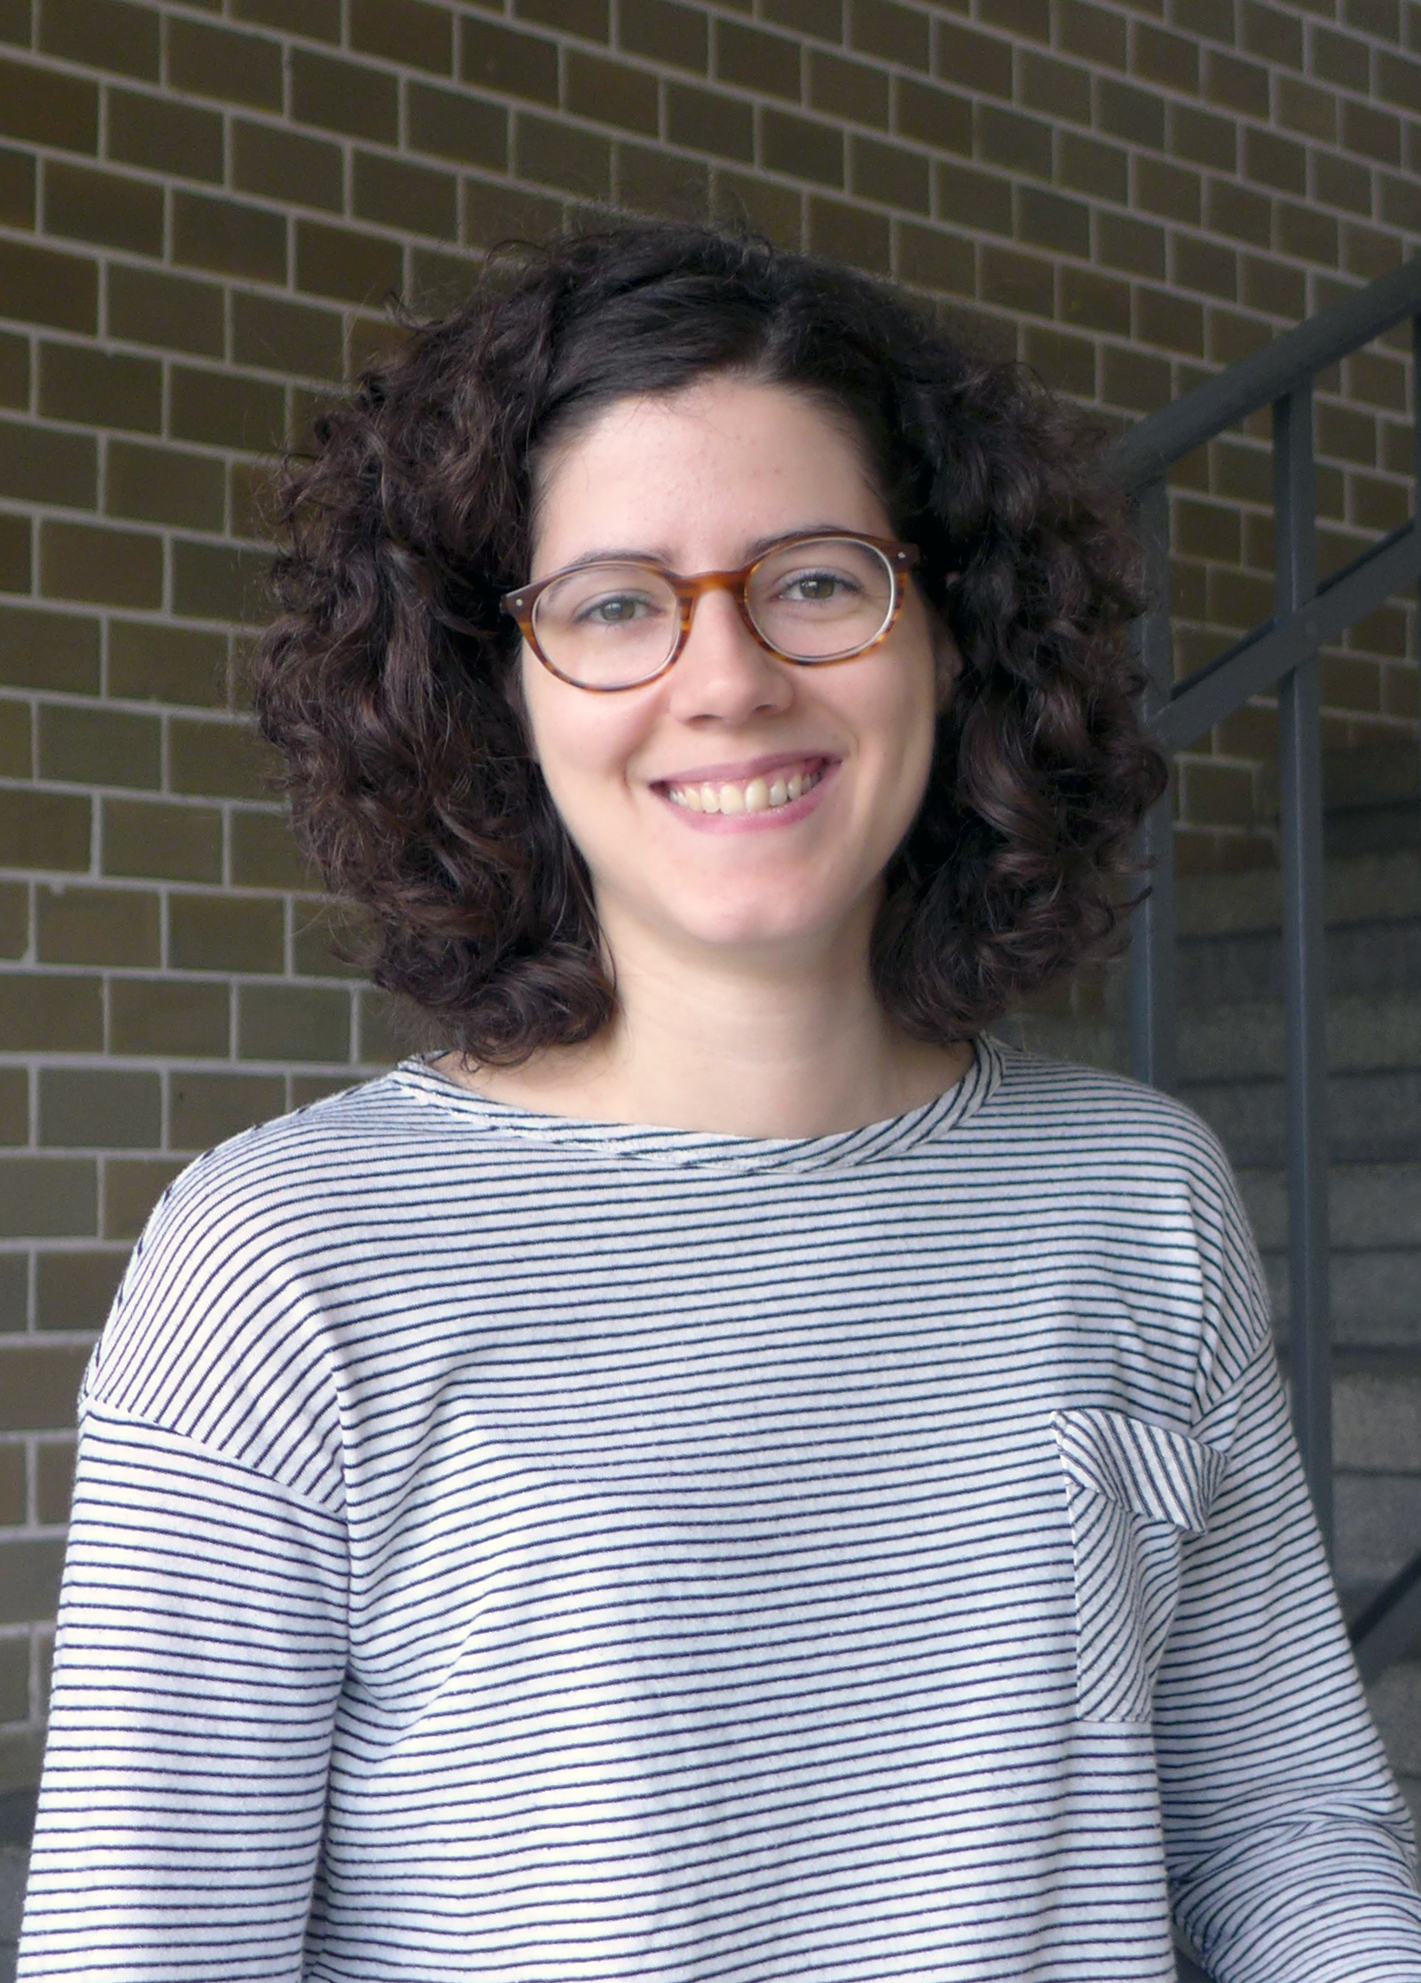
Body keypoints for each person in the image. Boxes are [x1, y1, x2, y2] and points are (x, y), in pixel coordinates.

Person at [17, 222, 1421, 1983]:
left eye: (815, 580)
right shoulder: (286, 1261)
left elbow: (1277, 1820)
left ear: (950, 633)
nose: (730, 676)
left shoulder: (1136, 1193)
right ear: (496, 690)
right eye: (614, 603)